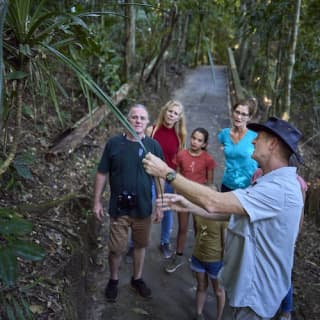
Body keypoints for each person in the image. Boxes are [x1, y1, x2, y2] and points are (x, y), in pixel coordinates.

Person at [143, 117, 304, 320]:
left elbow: (214, 202)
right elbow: (232, 211)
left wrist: (166, 172)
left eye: (259, 138)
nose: (253, 141)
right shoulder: (269, 181)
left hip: (253, 298)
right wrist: (190, 205)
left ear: (272, 144)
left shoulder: (278, 190)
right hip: (244, 291)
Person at [92, 104, 164, 302]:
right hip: (119, 208)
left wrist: (160, 204)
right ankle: (113, 280)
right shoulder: (114, 144)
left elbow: (160, 177)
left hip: (143, 208)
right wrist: (97, 201)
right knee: (116, 249)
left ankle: (137, 279)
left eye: (142, 118)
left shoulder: (153, 146)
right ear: (126, 120)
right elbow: (101, 173)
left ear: (148, 123)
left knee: (140, 245)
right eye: (134, 117)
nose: (138, 121)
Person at [252, 166, 308, 320]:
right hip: (264, 235)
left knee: (283, 273)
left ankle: (286, 310)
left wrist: (294, 237)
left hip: (283, 237)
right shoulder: (258, 174)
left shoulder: (297, 182)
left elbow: (299, 213)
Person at [165, 127, 217, 273]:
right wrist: (176, 195)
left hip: (199, 198)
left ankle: (199, 258)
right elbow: (178, 177)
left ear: (204, 144)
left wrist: (207, 200)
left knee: (199, 228)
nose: (195, 142)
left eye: (199, 140)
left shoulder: (208, 159)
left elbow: (210, 184)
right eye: (193, 138)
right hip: (183, 197)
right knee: (182, 228)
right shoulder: (181, 155)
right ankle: (179, 256)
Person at [146, 99, 187, 258]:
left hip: (168, 177)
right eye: (170, 111)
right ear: (165, 111)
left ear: (179, 118)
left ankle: (164, 242)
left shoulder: (180, 136)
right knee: (145, 209)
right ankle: (134, 243)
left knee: (167, 211)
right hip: (149, 177)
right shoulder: (152, 130)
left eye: (175, 113)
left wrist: (177, 183)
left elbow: (179, 161)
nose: (172, 115)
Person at [192, 209, 227, 320]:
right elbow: (196, 231)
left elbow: (225, 242)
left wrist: (225, 262)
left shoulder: (222, 217)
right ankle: (198, 314)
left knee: (218, 291)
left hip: (216, 261)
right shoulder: (196, 212)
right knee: (201, 286)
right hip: (198, 257)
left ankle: (219, 317)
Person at [218, 98, 258, 192]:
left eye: (244, 114)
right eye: (237, 112)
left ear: (250, 117)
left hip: (247, 188)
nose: (239, 117)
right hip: (227, 184)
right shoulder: (224, 134)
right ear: (233, 112)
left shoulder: (255, 137)